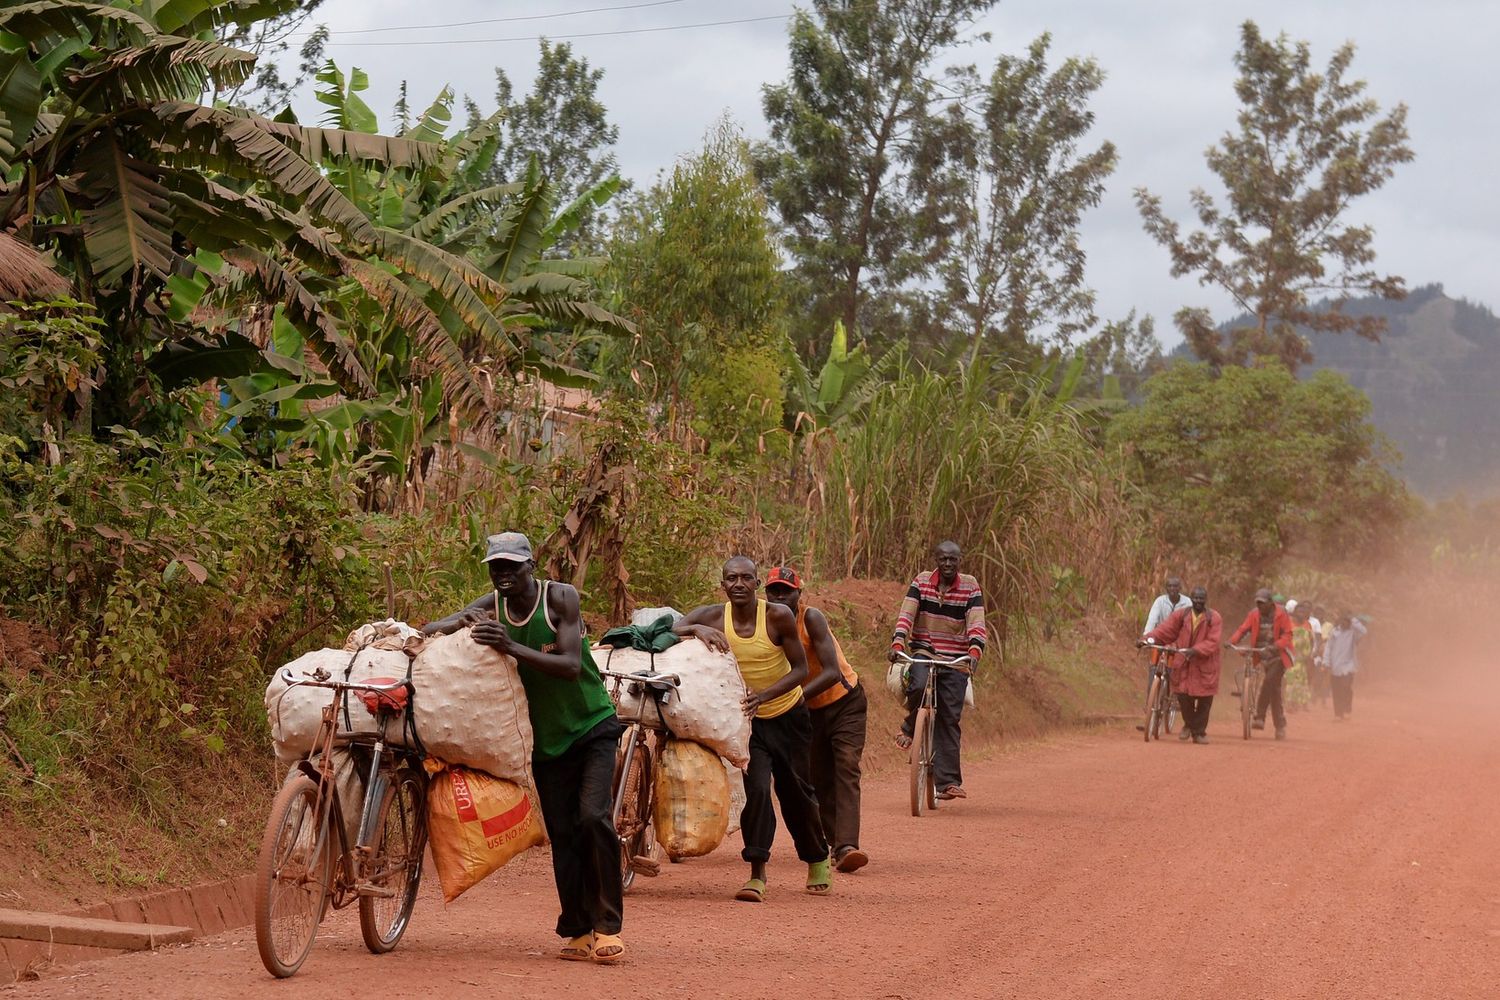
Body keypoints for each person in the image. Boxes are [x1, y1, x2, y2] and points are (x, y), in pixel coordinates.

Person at [421, 532, 626, 964]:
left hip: (592, 726)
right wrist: (432, 633)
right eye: (496, 568)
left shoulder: (560, 599)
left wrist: (509, 645)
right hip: (546, 743)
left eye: (512, 566)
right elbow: (444, 624)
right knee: (564, 834)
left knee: (593, 817)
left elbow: (570, 666)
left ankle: (608, 927)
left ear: (531, 565)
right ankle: (577, 930)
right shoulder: (490, 606)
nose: (504, 575)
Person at [673, 557, 832, 902]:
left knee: (795, 792)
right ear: (723, 585)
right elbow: (673, 627)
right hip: (748, 722)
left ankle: (817, 856)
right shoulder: (714, 616)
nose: (739, 584)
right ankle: (757, 872)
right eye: (732, 578)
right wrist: (697, 629)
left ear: (757, 584)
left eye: (747, 578)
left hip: (788, 715)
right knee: (756, 791)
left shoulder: (777, 616)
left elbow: (801, 669)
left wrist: (764, 695)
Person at [763, 565, 869, 874]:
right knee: (816, 777)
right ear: (765, 593)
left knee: (846, 766)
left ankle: (848, 845)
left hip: (844, 703)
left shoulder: (811, 618)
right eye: (774, 591)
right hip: (806, 712)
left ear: (800, 594)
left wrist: (794, 698)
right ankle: (835, 845)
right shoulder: (764, 624)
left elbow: (831, 671)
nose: (780, 597)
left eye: (787, 591)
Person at [887, 540, 987, 801]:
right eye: (943, 559)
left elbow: (976, 623)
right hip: (924, 650)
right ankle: (913, 724)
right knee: (918, 685)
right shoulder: (921, 582)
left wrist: (975, 652)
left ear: (960, 560)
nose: (948, 564)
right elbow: (906, 614)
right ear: (936, 560)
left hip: (956, 657)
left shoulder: (970, 585)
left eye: (953, 559)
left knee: (949, 717)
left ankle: (947, 782)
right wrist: (898, 641)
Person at [1141, 585, 1223, 744]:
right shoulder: (1181, 615)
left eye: (1201, 598)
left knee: (1205, 700)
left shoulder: (1214, 618)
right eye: (1196, 598)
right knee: (1184, 697)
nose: (1198, 601)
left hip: (1205, 664)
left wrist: (1196, 650)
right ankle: (1190, 725)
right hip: (1183, 662)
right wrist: (1147, 639)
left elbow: (1213, 641)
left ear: (1206, 600)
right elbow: (1165, 630)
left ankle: (1199, 732)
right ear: (1191, 599)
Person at [1230, 588, 1295, 740]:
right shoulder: (1254, 614)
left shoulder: (1281, 614)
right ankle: (1280, 726)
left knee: (1270, 681)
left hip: (1277, 655)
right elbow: (1243, 629)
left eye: (1262, 604)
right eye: (1258, 603)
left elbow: (1287, 635)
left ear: (1271, 603)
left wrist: (1274, 647)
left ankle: (1260, 716)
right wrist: (1231, 641)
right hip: (1259, 652)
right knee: (1274, 690)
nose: (1260, 607)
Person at [1139, 576, 1192, 723]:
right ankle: (1150, 703)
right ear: (1166, 588)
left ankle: (1176, 696)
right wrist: (1146, 638)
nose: (1173, 589)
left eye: (1176, 587)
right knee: (1153, 667)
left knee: (1178, 668)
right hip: (1161, 637)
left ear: (1180, 588)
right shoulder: (1160, 601)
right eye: (1170, 586)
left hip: (1179, 641)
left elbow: (1189, 624)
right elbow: (1152, 620)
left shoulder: (1187, 603)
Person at [1325, 611, 1368, 720]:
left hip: (1348, 666)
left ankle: (1347, 707)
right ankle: (1338, 714)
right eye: (1342, 621)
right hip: (1335, 666)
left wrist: (1353, 620)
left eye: (1346, 621)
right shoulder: (1334, 632)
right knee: (1336, 690)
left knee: (1346, 687)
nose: (1344, 623)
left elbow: (1364, 631)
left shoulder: (1353, 633)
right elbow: (1328, 648)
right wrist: (1326, 662)